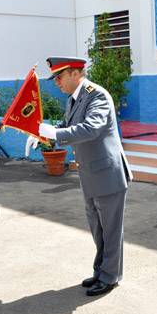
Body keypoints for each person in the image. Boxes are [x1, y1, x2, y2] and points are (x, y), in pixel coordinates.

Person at [28, 56, 132, 297]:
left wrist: (55, 133)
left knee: (111, 231)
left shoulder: (97, 95)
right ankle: (101, 271)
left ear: (76, 73)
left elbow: (91, 127)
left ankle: (110, 277)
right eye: (55, 78)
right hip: (90, 174)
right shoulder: (73, 100)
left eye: (60, 77)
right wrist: (42, 133)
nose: (56, 82)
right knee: (98, 229)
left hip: (108, 174)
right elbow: (65, 126)